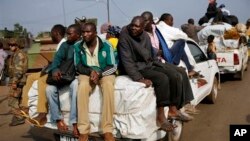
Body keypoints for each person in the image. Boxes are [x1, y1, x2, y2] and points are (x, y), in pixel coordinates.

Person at [118, 16, 194, 133]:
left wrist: (160, 64)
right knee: (162, 78)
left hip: (149, 63)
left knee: (175, 73)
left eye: (137, 26)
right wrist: (139, 78)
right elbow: (126, 60)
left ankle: (173, 109)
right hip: (138, 67)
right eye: (132, 25)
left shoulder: (144, 36)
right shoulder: (125, 36)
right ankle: (160, 115)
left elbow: (150, 54)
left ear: (143, 28)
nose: (133, 28)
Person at [75, 22, 117, 141]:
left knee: (108, 85)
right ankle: (83, 130)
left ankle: (107, 130)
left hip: (104, 73)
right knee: (82, 86)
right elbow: (77, 66)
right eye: (83, 32)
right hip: (86, 73)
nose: (85, 34)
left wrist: (99, 74)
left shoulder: (106, 45)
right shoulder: (77, 46)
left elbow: (113, 66)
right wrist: (90, 72)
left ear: (95, 33)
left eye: (88, 32)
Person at [21, 24, 67, 127]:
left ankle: (42, 114)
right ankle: (24, 106)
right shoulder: (60, 44)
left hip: (60, 71)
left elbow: (62, 63)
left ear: (56, 33)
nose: (51, 37)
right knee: (31, 77)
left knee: (42, 80)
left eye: (52, 34)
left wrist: (48, 70)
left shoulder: (64, 44)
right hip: (53, 69)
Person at [46, 24, 81, 137]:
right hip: (64, 76)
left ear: (78, 35)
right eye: (67, 33)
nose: (67, 36)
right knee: (49, 89)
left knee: (76, 86)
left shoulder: (83, 45)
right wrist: (55, 69)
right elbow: (56, 59)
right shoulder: (65, 45)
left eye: (70, 34)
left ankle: (74, 122)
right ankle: (57, 119)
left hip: (75, 78)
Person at [156, 13, 201, 78]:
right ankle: (185, 66)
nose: (172, 22)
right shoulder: (166, 28)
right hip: (168, 55)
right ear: (165, 20)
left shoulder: (157, 27)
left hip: (160, 55)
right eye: (171, 20)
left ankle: (189, 68)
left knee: (180, 45)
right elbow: (184, 36)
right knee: (181, 41)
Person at [7, 38, 28, 126]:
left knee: (12, 100)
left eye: (13, 45)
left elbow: (19, 70)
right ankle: (20, 115)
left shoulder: (19, 55)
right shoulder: (16, 54)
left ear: (17, 45)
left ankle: (19, 118)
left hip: (17, 80)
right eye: (10, 45)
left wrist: (15, 82)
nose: (11, 46)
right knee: (18, 99)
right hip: (17, 80)